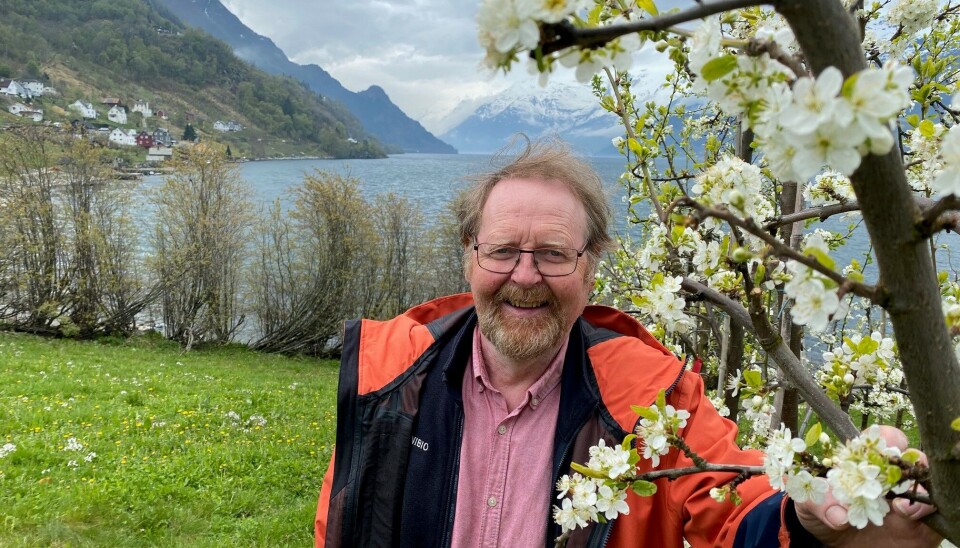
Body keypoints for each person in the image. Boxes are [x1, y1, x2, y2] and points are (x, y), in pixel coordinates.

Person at [314, 138, 939, 547]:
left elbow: (731, 502)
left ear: (591, 268)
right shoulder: (389, 373)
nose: (524, 276)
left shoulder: (650, 397)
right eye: (502, 250)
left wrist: (806, 520)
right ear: (469, 258)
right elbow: (338, 520)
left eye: (554, 254)